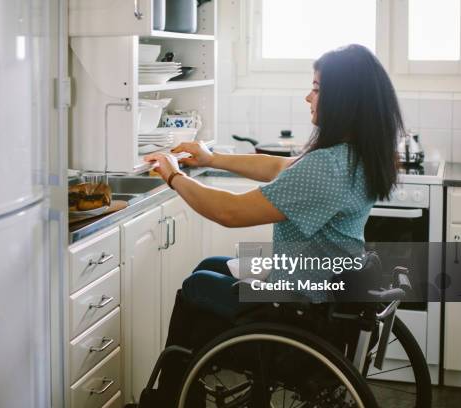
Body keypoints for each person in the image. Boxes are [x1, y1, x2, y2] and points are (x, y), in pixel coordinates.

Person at [136, 44, 403, 407]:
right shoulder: (355, 154)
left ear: (344, 99)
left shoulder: (327, 168)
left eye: (318, 88)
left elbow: (229, 213)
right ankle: (185, 384)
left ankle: (175, 392)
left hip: (301, 303)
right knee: (210, 267)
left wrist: (174, 176)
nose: (308, 96)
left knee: (197, 285)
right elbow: (282, 169)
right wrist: (212, 158)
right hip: (322, 281)